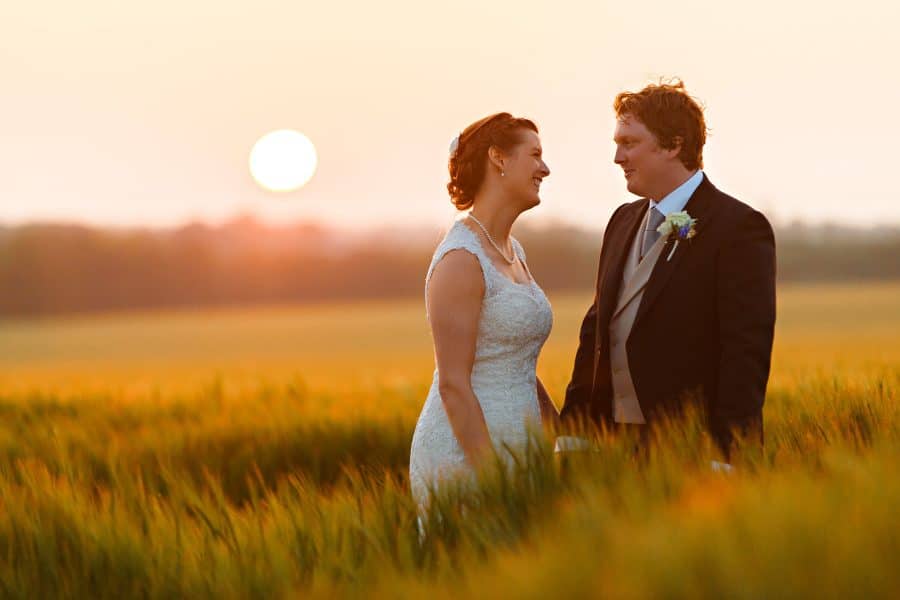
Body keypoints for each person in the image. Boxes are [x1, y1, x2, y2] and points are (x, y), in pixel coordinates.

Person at [559, 81, 776, 462]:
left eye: (629, 143)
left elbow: (745, 354)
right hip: (611, 448)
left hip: (691, 449)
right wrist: (575, 432)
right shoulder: (621, 221)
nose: (616, 157)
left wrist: (727, 455)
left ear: (674, 144)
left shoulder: (738, 227)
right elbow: (595, 332)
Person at [409, 112, 558, 514]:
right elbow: (453, 385)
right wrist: (494, 480)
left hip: (523, 444)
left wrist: (563, 433)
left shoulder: (513, 250)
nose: (545, 168)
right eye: (536, 155)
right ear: (499, 159)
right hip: (469, 454)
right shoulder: (461, 258)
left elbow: (517, 359)